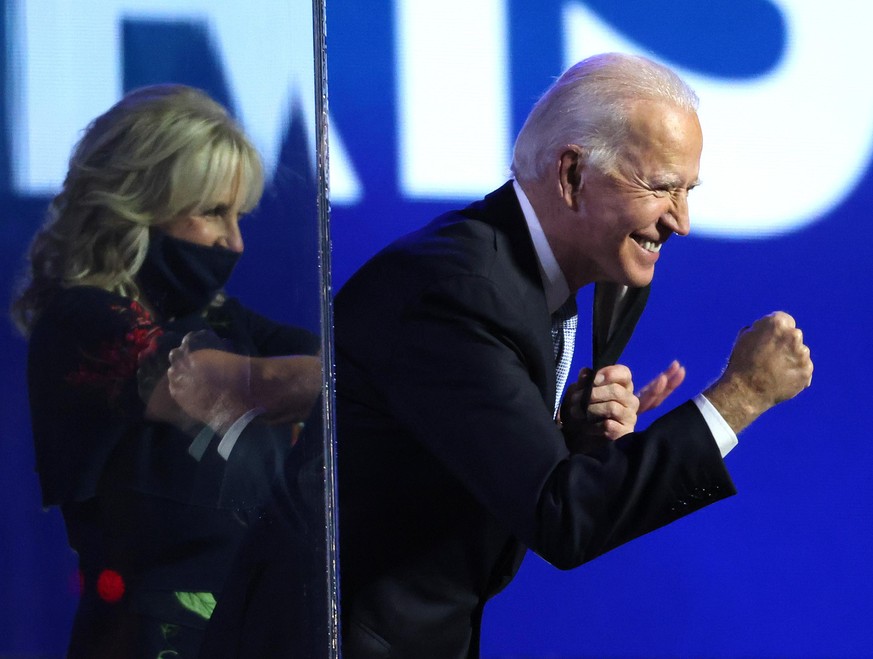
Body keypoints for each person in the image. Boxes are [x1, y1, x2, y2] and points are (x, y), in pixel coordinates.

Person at [333, 53, 813, 657]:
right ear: (571, 176)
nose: (682, 222)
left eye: (687, 190)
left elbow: (471, 463)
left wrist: (567, 441)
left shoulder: (531, 275)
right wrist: (740, 396)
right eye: (661, 186)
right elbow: (561, 517)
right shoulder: (461, 292)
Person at [11, 85, 322, 658]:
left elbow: (319, 356)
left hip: (249, 633)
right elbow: (230, 387)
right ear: (141, 202)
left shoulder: (217, 316)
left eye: (239, 215)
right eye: (212, 213)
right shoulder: (82, 320)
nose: (236, 243)